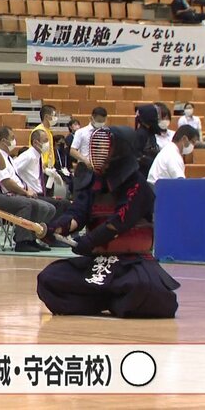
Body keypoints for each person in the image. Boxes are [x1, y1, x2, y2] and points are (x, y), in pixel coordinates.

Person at [37, 126, 180, 318]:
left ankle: (108, 298)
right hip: (98, 261)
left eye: (106, 148)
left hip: (132, 262)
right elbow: (77, 214)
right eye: (98, 148)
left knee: (144, 289)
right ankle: (108, 299)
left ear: (121, 150)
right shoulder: (93, 182)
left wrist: (90, 240)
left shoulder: (138, 184)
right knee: (49, 280)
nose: (100, 153)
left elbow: (120, 221)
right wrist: (54, 228)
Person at [31, 105, 58, 195]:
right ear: (46, 116)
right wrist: (44, 168)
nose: (55, 118)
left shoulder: (48, 131)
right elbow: (35, 152)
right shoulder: (38, 132)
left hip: (50, 169)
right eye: (54, 115)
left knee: (50, 196)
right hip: (42, 170)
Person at [134, 103, 166, 176]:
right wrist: (152, 161)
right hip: (144, 173)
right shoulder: (141, 134)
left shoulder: (150, 133)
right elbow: (137, 155)